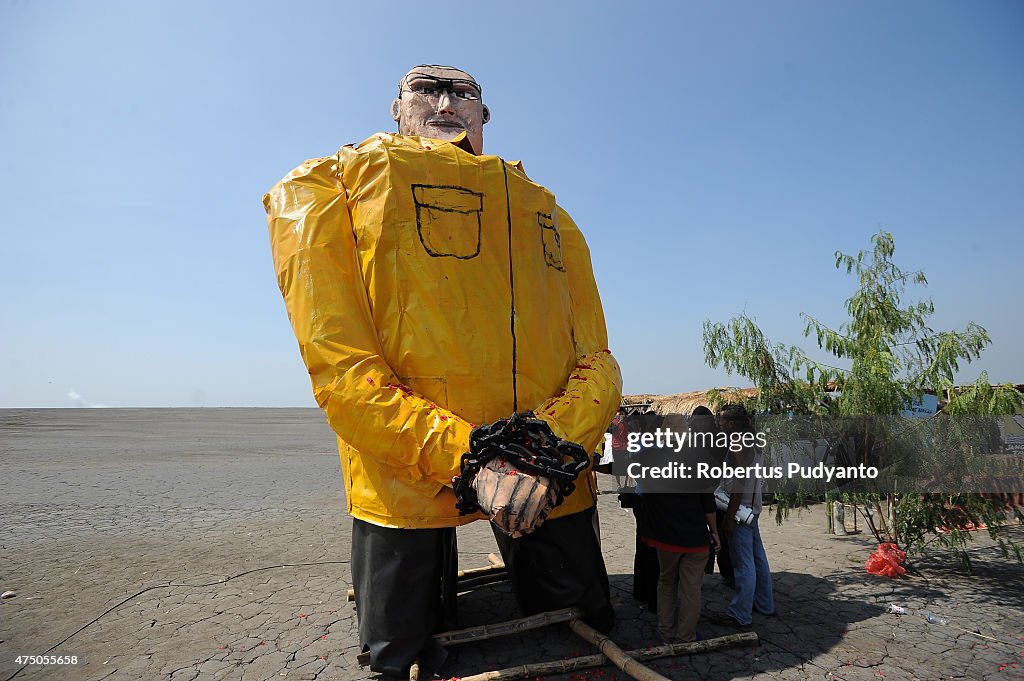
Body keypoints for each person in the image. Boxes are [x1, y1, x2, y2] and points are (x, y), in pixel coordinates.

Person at [263, 64, 621, 677]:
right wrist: (470, 459)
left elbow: (597, 359)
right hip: (405, 472)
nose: (445, 102)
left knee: (574, 610)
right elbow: (340, 366)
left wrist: (545, 448)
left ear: (485, 115)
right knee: (401, 641)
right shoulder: (329, 189)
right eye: (425, 88)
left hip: (543, 465)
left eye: (464, 92)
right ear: (396, 108)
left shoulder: (551, 216)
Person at [639, 410, 721, 642]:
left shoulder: (649, 458)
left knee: (666, 582)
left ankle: (666, 631)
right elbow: (708, 503)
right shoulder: (699, 458)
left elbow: (644, 494)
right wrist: (714, 532)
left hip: (664, 536)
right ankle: (685, 636)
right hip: (694, 537)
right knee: (691, 589)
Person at [717, 404, 775, 627]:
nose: (719, 424)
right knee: (758, 559)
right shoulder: (753, 441)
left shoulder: (739, 444)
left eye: (722, 420)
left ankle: (741, 614)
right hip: (752, 508)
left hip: (741, 510)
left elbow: (739, 482)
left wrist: (730, 517)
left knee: (744, 565)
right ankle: (764, 603)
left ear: (731, 423)